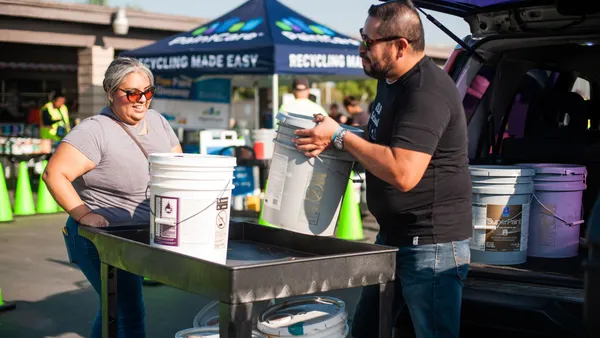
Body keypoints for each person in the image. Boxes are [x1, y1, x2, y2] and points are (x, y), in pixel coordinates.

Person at [292, 2, 471, 337]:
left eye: (369, 42)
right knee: (366, 330)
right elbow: (383, 143)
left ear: (400, 45)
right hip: (394, 237)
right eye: (362, 36)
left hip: (431, 246)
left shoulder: (425, 93)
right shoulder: (390, 79)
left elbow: (404, 172)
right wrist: (335, 139)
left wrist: (341, 135)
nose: (361, 47)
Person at [43, 57, 182, 338]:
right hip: (102, 241)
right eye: (132, 93)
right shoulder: (95, 130)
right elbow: (53, 174)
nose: (141, 100)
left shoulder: (157, 121)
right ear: (110, 92)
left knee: (117, 310)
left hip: (141, 237)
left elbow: (176, 164)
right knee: (127, 313)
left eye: (148, 91)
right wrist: (83, 213)